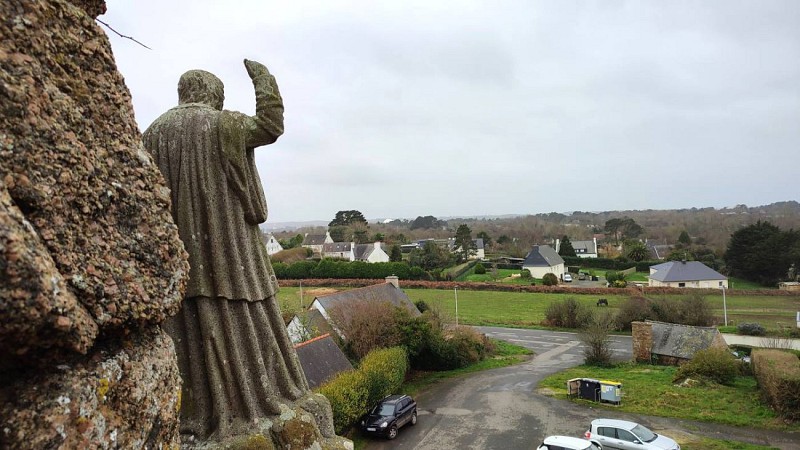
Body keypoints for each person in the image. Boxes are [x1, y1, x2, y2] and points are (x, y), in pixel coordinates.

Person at [142, 60, 308, 441]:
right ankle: (253, 403)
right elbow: (269, 125)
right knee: (247, 321)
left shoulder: (151, 134)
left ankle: (200, 413)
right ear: (213, 95)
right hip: (232, 251)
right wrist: (264, 79)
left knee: (189, 332)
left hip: (181, 259)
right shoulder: (222, 123)